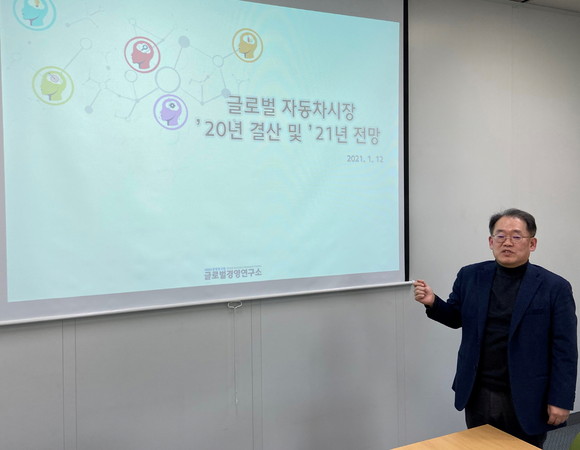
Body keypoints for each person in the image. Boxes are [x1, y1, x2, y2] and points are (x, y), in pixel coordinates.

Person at [413, 208, 577, 448]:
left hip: (528, 395)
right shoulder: (470, 275)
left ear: (532, 243)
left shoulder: (555, 287)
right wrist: (433, 302)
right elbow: (456, 318)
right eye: (500, 236)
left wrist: (561, 399)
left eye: (516, 236)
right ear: (491, 242)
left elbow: (565, 349)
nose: (507, 242)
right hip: (478, 391)